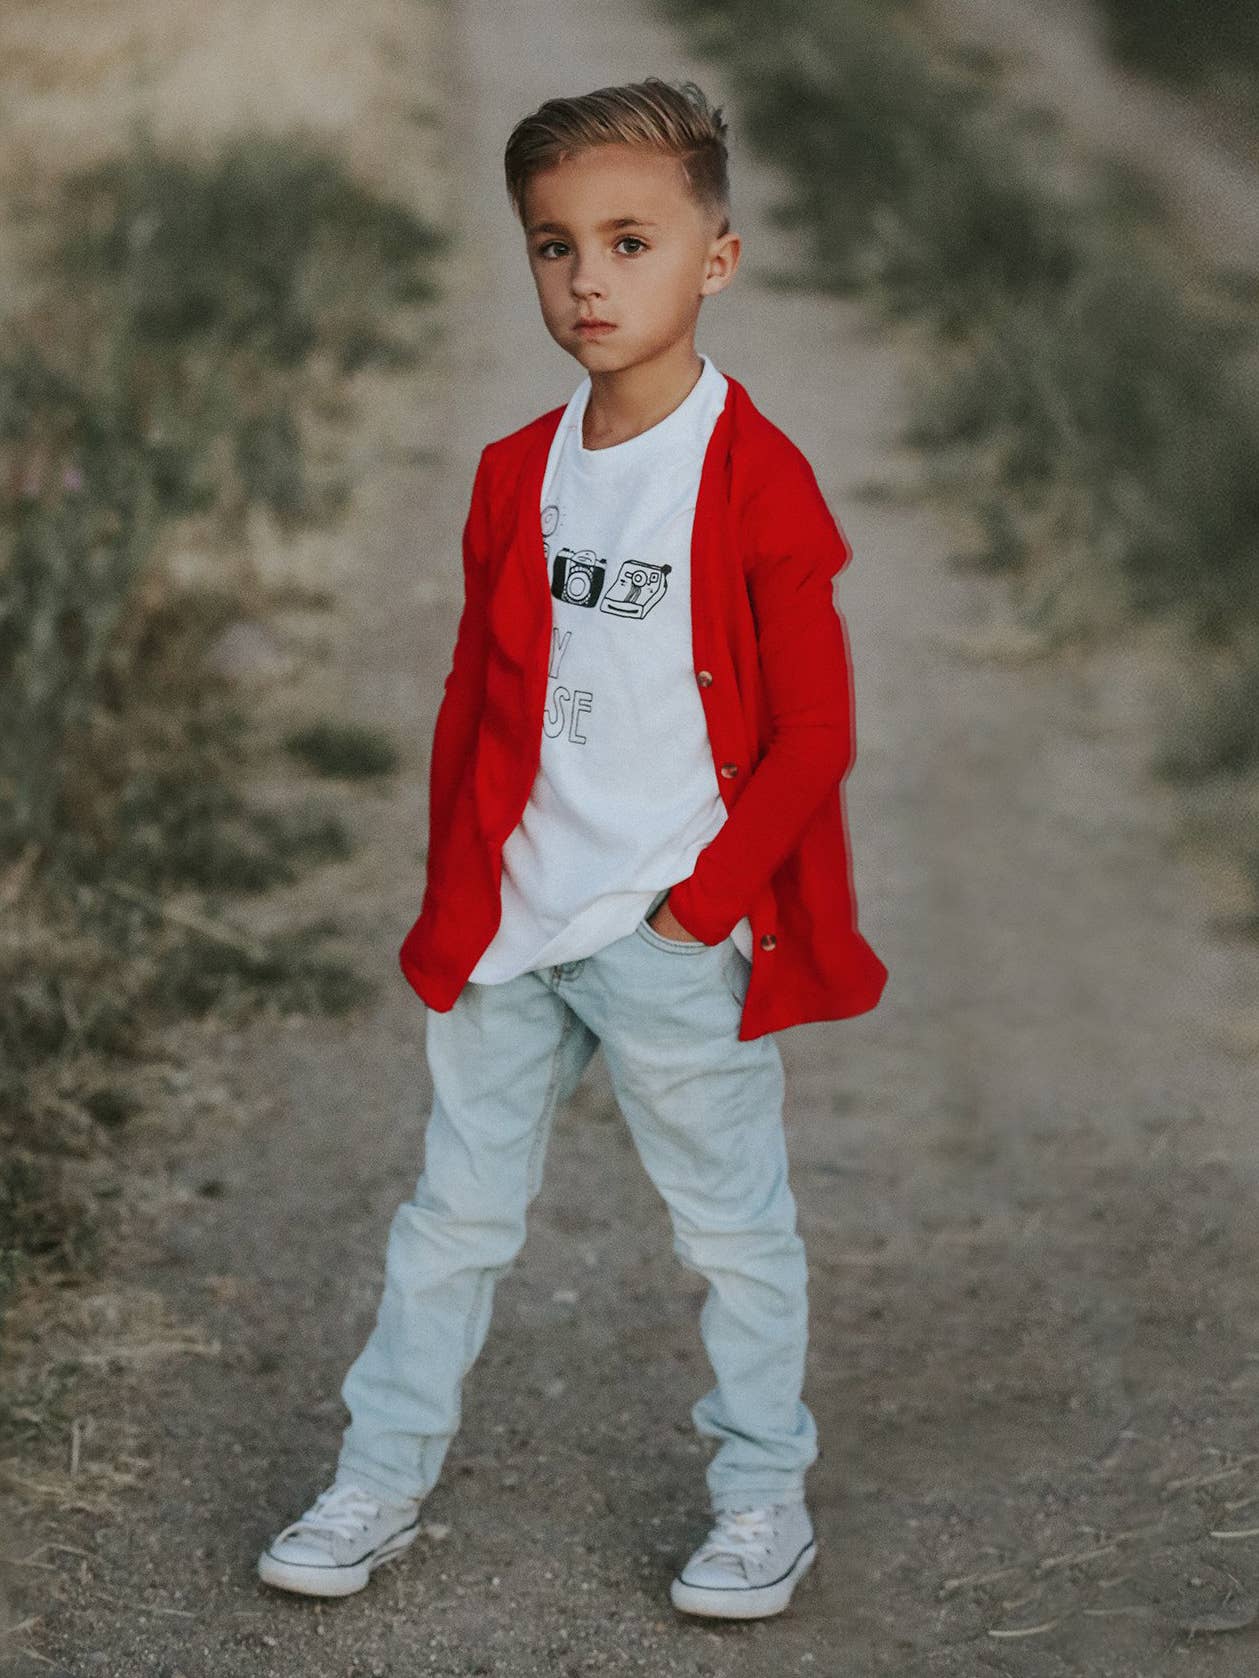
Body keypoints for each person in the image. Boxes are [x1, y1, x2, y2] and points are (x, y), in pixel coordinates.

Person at [258, 75, 887, 1621]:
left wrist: (704, 910)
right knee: (451, 1217)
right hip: (517, 924)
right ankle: (379, 1475)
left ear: (715, 261)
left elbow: (813, 736)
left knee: (732, 1232)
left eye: (628, 241)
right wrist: (455, 906)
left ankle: (758, 1497)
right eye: (554, 247)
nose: (589, 279)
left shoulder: (756, 483)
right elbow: (475, 709)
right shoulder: (509, 478)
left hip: (672, 928)